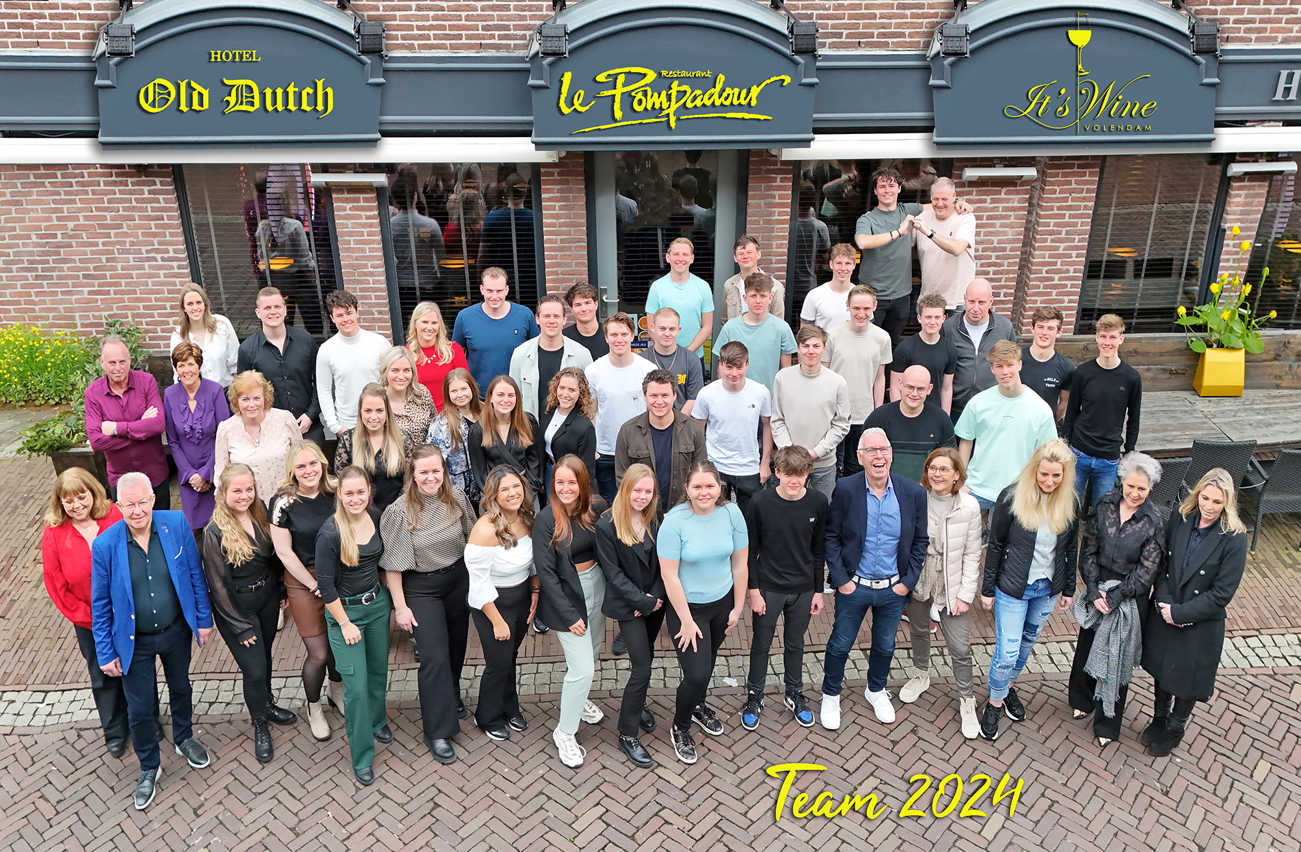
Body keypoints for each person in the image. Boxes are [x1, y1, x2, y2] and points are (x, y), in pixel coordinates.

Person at [91, 471, 214, 811]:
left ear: (153, 499)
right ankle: (149, 765)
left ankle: (184, 738)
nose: (137, 511)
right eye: (129, 505)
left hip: (176, 631)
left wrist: (203, 619)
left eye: (143, 502)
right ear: (118, 506)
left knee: (182, 687)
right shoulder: (104, 546)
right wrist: (105, 652)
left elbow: (195, 574)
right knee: (141, 707)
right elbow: (100, 604)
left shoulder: (176, 524)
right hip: (135, 641)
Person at [819, 428, 928, 729]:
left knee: (885, 645)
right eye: (871, 450)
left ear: (891, 454)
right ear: (860, 456)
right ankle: (830, 694)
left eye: (884, 449)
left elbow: (920, 541)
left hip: (893, 589)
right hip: (855, 586)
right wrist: (842, 580)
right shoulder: (846, 489)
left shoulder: (913, 493)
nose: (878, 456)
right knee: (840, 644)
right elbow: (832, 536)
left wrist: (907, 582)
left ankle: (876, 689)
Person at [1141, 468, 1248, 757]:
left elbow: (1222, 593)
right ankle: (1159, 717)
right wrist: (1164, 603)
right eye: (1205, 498)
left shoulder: (1234, 538)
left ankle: (1175, 727)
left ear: (1227, 502)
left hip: (1199, 620)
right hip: (1167, 608)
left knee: (1187, 677)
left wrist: (1181, 614)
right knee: (1162, 667)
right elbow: (1163, 563)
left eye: (1217, 501)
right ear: (1197, 494)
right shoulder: (1181, 517)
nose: (1209, 506)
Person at [380, 445, 476, 765]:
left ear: (444, 471)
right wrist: (400, 607)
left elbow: (473, 538)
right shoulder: (399, 512)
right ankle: (437, 730)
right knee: (434, 656)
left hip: (458, 581)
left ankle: (452, 695)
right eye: (424, 472)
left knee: (457, 648)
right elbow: (393, 566)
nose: (431, 477)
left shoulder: (457, 498)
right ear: (413, 474)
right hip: (422, 588)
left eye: (436, 470)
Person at [978, 439, 1079, 742]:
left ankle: (1006, 688)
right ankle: (994, 703)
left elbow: (1070, 548)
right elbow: (995, 545)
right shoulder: (1012, 497)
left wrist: (1069, 587)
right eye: (1044, 474)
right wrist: (987, 589)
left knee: (1026, 644)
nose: (1049, 481)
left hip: (1046, 589)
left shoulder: (1071, 502)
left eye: (1056, 475)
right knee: (1007, 652)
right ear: (1034, 469)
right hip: (1012, 587)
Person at [201, 465, 296, 763]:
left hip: (267, 598)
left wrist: (281, 590)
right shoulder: (214, 531)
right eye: (237, 491)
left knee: (265, 657)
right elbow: (217, 586)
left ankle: (267, 704)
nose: (244, 496)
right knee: (253, 669)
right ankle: (259, 724)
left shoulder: (261, 513)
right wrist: (240, 626)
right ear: (223, 493)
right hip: (237, 609)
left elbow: (273, 558)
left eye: (249, 489)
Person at [1069, 452, 1164, 748]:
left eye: (1141, 489)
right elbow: (1089, 548)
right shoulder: (1104, 505)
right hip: (1099, 587)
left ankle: (1107, 723)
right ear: (1122, 481)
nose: (1134, 493)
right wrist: (1093, 588)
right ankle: (1082, 699)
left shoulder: (1153, 521)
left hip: (1128, 597)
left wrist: (1115, 596)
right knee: (1086, 646)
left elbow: (1147, 570)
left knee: (1115, 659)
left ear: (1150, 489)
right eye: (1130, 486)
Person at [658, 461, 749, 764]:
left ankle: (697, 706)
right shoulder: (674, 522)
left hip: (721, 604)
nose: (704, 492)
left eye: (709, 485)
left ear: (719, 487)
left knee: (707, 664)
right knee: (696, 674)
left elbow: (740, 564)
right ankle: (680, 726)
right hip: (688, 609)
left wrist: (737, 606)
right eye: (697, 486)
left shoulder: (732, 513)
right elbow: (669, 576)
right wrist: (685, 620)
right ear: (687, 489)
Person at [42, 468, 135, 757]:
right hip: (88, 620)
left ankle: (145, 719)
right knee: (102, 674)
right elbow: (55, 582)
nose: (76, 505)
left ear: (93, 493)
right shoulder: (54, 533)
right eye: (68, 500)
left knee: (136, 667)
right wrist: (90, 618)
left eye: (81, 497)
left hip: (127, 613)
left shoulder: (114, 516)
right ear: (60, 502)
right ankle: (115, 730)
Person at [897, 447, 983, 739]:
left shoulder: (969, 507)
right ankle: (921, 674)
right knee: (919, 629)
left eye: (944, 469)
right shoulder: (917, 498)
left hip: (952, 580)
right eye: (932, 468)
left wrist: (965, 595)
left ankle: (967, 699)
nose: (937, 474)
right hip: (921, 575)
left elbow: (972, 554)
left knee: (959, 646)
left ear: (957, 474)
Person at [315, 467, 393, 786]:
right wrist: (345, 623)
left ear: (368, 492)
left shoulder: (376, 516)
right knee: (356, 689)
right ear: (339, 495)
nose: (355, 498)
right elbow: (325, 586)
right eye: (349, 493)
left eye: (361, 492)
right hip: (345, 614)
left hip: (377, 606)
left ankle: (377, 720)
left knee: (378, 672)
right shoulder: (330, 533)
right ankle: (362, 756)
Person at [740, 446, 827, 731]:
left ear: (808, 474)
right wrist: (753, 590)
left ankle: (794, 693)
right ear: (777, 472)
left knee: (795, 643)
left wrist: (818, 590)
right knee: (761, 644)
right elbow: (750, 550)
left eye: (800, 474)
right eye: (788, 474)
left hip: (803, 589)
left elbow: (819, 549)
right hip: (768, 588)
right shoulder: (759, 502)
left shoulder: (818, 502)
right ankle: (755, 695)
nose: (794, 480)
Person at [534, 456, 610, 767]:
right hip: (567, 596)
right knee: (583, 669)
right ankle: (565, 732)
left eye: (571, 482)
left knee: (591, 653)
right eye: (559, 482)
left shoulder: (595, 508)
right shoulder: (546, 520)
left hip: (596, 585)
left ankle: (579, 701)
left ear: (583, 484)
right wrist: (569, 616)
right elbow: (546, 574)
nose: (565, 488)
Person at [268, 442, 343, 743]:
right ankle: (313, 707)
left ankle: (336, 691)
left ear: (323, 464)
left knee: (338, 644)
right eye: (301, 466)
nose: (309, 470)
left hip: (337, 575)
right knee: (319, 652)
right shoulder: (283, 502)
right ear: (292, 471)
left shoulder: (336, 491)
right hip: (304, 580)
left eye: (313, 463)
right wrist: (314, 585)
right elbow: (284, 552)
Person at [854, 167, 971, 345]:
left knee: (893, 343)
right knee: (867, 343)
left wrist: (959, 202)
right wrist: (898, 232)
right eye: (882, 186)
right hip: (873, 296)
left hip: (902, 296)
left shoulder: (908, 210)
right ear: (876, 191)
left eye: (891, 186)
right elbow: (862, 242)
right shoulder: (867, 219)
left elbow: (938, 204)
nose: (887, 190)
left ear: (899, 189)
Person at [596, 464, 665, 767]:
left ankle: (637, 706)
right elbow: (612, 573)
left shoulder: (656, 518)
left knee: (647, 656)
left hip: (655, 602)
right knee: (642, 667)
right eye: (637, 490)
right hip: (629, 605)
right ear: (625, 489)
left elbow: (665, 562)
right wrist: (641, 601)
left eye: (648, 491)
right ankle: (627, 733)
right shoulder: (607, 525)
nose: (642, 496)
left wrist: (655, 598)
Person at [466, 466, 537, 742]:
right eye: (504, 489)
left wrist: (535, 592)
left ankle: (510, 706)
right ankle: (487, 716)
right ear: (493, 495)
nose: (512, 493)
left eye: (516, 486)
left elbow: (533, 561)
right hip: (492, 603)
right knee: (498, 663)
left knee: (510, 657)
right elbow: (478, 582)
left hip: (520, 597)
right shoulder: (485, 529)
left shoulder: (526, 518)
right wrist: (497, 621)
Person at [955, 341, 1060, 517]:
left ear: (1019, 364)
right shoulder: (978, 403)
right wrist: (961, 481)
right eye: (999, 366)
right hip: (976, 489)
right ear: (992, 369)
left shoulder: (1040, 409)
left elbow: (1046, 454)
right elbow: (966, 442)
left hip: (1017, 493)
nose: (1005, 372)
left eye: (1010, 365)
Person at [1063, 314, 1143, 507]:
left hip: (1109, 457)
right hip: (1078, 452)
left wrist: (1129, 451)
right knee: (1068, 507)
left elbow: (1134, 417)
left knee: (1102, 510)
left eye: (1112, 337)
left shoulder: (1131, 378)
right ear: (1097, 338)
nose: (1107, 342)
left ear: (1121, 339)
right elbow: (1072, 410)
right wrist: (1066, 443)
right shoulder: (1082, 373)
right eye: (1103, 337)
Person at [85, 336, 169, 507]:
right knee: (128, 523)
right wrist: (141, 429)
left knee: (162, 521)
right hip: (120, 479)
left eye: (122, 361)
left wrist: (116, 428)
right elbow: (96, 442)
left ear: (130, 360)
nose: (118, 368)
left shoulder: (146, 381)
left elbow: (158, 424)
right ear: (102, 363)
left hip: (155, 476)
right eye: (112, 362)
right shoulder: (93, 393)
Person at [771, 325, 850, 499]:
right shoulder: (782, 378)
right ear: (798, 348)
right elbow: (777, 420)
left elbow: (841, 424)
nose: (810, 351)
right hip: (788, 464)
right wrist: (791, 453)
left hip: (823, 465)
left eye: (816, 346)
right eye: (805, 346)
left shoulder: (837, 382)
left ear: (824, 348)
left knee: (822, 509)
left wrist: (816, 452)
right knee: (787, 508)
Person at [692, 343, 771, 513]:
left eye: (739, 367)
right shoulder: (706, 394)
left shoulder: (761, 392)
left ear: (747, 364)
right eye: (729, 367)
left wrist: (765, 462)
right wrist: (701, 464)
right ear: (720, 364)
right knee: (715, 518)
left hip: (749, 466)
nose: (734, 373)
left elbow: (768, 425)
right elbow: (697, 430)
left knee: (750, 520)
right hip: (716, 466)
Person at [585, 313, 656, 502]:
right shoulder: (593, 371)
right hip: (606, 451)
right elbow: (590, 412)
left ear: (632, 336)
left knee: (640, 503)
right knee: (611, 506)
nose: (619, 339)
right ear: (606, 337)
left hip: (639, 449)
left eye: (624, 334)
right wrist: (594, 447)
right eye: (614, 335)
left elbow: (655, 410)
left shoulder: (648, 370)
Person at [616, 369, 708, 515]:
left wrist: (686, 510)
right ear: (645, 396)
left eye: (665, 395)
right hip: (642, 512)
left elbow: (701, 474)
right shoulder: (628, 431)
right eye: (653, 396)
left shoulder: (693, 430)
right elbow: (622, 478)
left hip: (683, 512)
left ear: (674, 396)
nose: (659, 401)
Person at [238, 287, 322, 443]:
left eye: (277, 306)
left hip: (309, 427)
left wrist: (311, 415)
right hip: (270, 431)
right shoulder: (247, 350)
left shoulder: (306, 341)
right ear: (258, 312)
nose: (273, 311)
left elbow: (321, 382)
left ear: (285, 310)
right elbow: (244, 393)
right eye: (267, 308)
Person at [825, 285, 893, 476]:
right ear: (847, 305)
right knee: (833, 467)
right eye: (856, 308)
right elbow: (824, 375)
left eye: (866, 308)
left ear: (875, 306)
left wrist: (877, 412)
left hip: (865, 414)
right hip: (835, 414)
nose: (861, 313)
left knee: (857, 468)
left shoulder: (882, 338)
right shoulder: (833, 335)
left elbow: (880, 378)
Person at [163, 342, 229, 534]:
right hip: (188, 476)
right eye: (181, 365)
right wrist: (191, 475)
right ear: (176, 369)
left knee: (220, 528)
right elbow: (173, 441)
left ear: (199, 365)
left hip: (215, 470)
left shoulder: (215, 391)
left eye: (190, 364)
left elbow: (224, 436)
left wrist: (207, 474)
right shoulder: (169, 394)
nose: (186, 370)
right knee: (195, 532)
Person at [214, 371, 301, 507]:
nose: (251, 404)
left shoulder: (285, 419)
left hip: (287, 503)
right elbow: (220, 474)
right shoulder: (226, 429)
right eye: (245, 399)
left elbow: (301, 459)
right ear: (236, 400)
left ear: (265, 397)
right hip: (246, 506)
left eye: (256, 398)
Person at [452, 266, 540, 394]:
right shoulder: (465, 317)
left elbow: (536, 352)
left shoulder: (524, 315)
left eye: (499, 291)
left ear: (506, 290)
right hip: (479, 397)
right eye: (489, 291)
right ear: (482, 289)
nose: (494, 296)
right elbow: (456, 356)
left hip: (515, 395)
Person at [316, 290, 391, 438]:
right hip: (348, 426)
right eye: (340, 315)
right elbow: (324, 390)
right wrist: (335, 426)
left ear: (357, 313)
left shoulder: (379, 343)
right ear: (332, 318)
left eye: (349, 313)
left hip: (381, 421)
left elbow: (391, 381)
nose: (346, 319)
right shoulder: (326, 350)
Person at [864, 364, 956, 482]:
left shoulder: (941, 420)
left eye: (920, 389)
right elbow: (864, 458)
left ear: (929, 389)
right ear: (900, 384)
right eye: (910, 387)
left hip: (926, 489)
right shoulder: (878, 418)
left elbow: (950, 461)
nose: (914, 393)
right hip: (886, 488)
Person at [942, 279, 1016, 423]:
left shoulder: (1004, 328)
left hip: (992, 408)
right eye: (971, 302)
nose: (975, 308)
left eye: (981, 302)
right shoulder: (948, 328)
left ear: (990, 302)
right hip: (956, 407)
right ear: (964, 299)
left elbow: (1013, 368)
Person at [509, 294, 592, 420]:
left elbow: (589, 399)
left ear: (564, 320)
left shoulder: (582, 355)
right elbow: (513, 397)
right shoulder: (520, 354)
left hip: (570, 429)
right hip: (531, 428)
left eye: (556, 316)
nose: (551, 321)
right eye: (546, 316)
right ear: (537, 319)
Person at [712, 272, 797, 392]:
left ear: (770, 298)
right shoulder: (730, 328)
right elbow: (722, 368)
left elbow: (786, 371)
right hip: (735, 395)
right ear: (745, 298)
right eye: (753, 296)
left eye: (762, 296)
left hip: (769, 396)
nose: (758, 301)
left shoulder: (782, 328)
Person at [467, 375, 544, 500]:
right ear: (490, 398)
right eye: (500, 395)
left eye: (511, 395)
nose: (506, 400)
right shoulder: (478, 430)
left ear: (517, 398)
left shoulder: (528, 422)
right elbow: (480, 473)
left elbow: (536, 462)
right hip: (494, 495)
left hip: (526, 492)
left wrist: (527, 493)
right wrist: (496, 496)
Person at [334, 383, 409, 512]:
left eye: (379, 410)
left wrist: (394, 512)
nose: (373, 417)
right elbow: (342, 482)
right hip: (358, 512)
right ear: (360, 412)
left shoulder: (403, 440)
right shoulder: (348, 440)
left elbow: (409, 481)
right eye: (368, 411)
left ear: (387, 412)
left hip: (396, 512)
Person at [913, 177, 976, 313]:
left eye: (944, 199)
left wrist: (929, 232)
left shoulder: (965, 217)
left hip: (957, 302)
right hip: (928, 300)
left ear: (954, 196)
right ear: (931, 197)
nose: (939, 204)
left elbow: (957, 249)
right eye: (936, 199)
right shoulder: (922, 217)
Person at [645, 237, 713, 359]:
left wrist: (687, 353)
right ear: (668, 257)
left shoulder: (703, 287)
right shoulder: (657, 287)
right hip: (663, 356)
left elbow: (707, 326)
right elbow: (651, 326)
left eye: (685, 254)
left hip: (694, 356)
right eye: (676, 254)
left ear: (692, 258)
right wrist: (669, 352)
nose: (680, 258)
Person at [891, 294, 956, 414]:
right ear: (919, 318)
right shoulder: (904, 348)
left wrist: (945, 417)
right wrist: (899, 416)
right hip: (908, 412)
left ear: (944, 318)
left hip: (935, 414)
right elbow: (895, 388)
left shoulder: (949, 349)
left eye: (937, 317)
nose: (932, 322)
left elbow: (946, 388)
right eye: (928, 317)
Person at [428, 368, 482, 503]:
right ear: (447, 394)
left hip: (485, 488)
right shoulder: (441, 424)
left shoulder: (485, 412)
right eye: (454, 391)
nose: (460, 394)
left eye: (464, 389)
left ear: (472, 388)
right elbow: (433, 461)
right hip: (457, 493)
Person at [168, 284, 240, 388]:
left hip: (226, 390)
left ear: (205, 304)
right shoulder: (178, 336)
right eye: (190, 304)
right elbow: (178, 373)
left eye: (198, 302)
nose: (195, 307)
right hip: (197, 394)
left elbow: (235, 362)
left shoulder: (222, 325)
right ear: (184, 308)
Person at [406, 301, 469, 413]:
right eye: (424, 322)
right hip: (419, 416)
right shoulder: (406, 354)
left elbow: (466, 385)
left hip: (451, 415)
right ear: (415, 323)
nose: (429, 327)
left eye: (434, 323)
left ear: (440, 325)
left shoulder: (454, 350)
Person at [540, 367, 597, 487]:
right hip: (548, 471)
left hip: (569, 480)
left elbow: (587, 470)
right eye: (562, 388)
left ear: (580, 393)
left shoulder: (585, 427)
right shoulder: (548, 408)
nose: (565, 394)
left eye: (572, 390)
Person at [643, 308, 704, 415]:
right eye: (662, 328)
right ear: (653, 328)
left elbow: (694, 398)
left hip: (682, 420)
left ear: (678, 330)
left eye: (672, 329)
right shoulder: (642, 360)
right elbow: (639, 399)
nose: (667, 333)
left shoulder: (691, 360)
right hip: (649, 421)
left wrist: (677, 422)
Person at [1019, 307, 1074, 423]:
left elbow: (1064, 403)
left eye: (1050, 328)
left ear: (1059, 333)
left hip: (1044, 428)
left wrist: (1049, 422)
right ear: (1032, 329)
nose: (1044, 333)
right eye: (1040, 327)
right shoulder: (1016, 359)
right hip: (1015, 424)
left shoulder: (1066, 367)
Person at [379, 346, 435, 447]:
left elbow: (435, 426)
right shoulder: (378, 400)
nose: (401, 376)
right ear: (385, 372)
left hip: (425, 454)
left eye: (406, 370)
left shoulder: (421, 393)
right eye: (395, 370)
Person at [723, 235, 786, 322]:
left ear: (758, 254)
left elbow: (779, 322)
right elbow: (725, 320)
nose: (745, 256)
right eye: (741, 254)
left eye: (749, 252)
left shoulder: (775, 286)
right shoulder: (729, 285)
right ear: (735, 258)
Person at [799, 243, 855, 332]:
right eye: (839, 263)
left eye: (848, 263)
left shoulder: (861, 295)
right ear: (831, 264)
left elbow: (867, 330)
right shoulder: (814, 295)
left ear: (854, 265)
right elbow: (805, 333)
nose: (843, 268)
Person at [562, 282, 609, 360]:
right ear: (571, 309)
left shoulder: (610, 334)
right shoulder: (563, 338)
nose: (583, 309)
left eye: (587, 303)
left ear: (596, 305)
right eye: (578, 305)